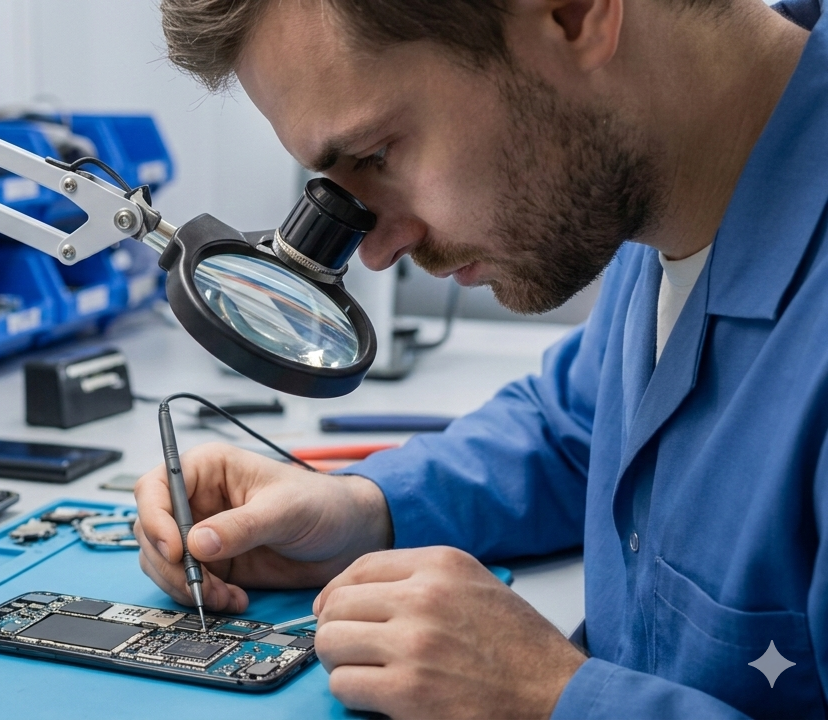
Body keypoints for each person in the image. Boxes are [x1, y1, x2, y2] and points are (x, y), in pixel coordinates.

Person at [133, 0, 828, 716]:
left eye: (377, 154)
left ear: (571, 13)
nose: (376, 249)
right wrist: (359, 509)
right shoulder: (670, 186)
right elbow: (574, 436)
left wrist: (548, 696)